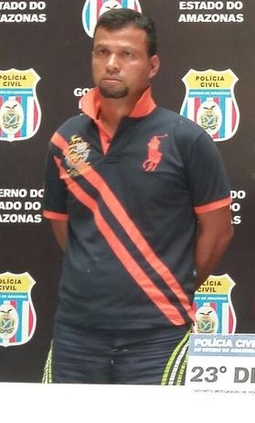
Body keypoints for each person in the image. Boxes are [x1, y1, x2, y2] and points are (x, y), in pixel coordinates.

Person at [41, 9, 234, 384]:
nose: (112, 63)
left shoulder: (187, 139)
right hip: (76, 331)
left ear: (152, 65)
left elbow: (218, 231)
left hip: (159, 332)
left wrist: (171, 286)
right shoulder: (65, 140)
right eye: (102, 52)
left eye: (127, 54)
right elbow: (64, 228)